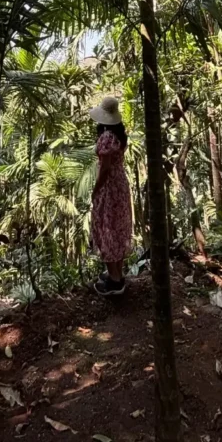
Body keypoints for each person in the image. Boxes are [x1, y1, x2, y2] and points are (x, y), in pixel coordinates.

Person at [89, 96, 133, 297]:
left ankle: (115, 281)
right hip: (120, 185)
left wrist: (96, 190)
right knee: (117, 227)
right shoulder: (119, 135)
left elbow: (104, 169)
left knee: (105, 228)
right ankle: (117, 275)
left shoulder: (106, 137)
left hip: (109, 188)